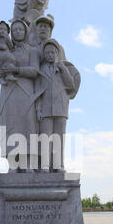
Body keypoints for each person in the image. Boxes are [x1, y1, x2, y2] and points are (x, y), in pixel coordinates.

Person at [0, 19, 40, 172]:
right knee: (11, 126)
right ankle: (13, 164)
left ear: (25, 32)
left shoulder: (33, 50)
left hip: (26, 92)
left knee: (28, 126)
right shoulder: (6, 51)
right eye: (14, 30)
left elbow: (34, 70)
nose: (17, 32)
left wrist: (15, 69)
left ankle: (28, 162)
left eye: (20, 29)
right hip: (9, 91)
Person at [35, 39, 80, 171]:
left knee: (59, 139)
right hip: (46, 109)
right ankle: (45, 165)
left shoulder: (62, 68)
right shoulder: (41, 71)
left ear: (57, 53)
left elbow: (71, 85)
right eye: (47, 53)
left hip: (60, 109)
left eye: (53, 52)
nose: (50, 55)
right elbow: (37, 92)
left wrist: (64, 70)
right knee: (45, 138)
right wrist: (38, 109)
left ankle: (59, 165)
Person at [0, 21, 17, 85]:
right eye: (0, 29)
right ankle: (1, 78)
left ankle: (9, 75)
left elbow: (11, 46)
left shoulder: (6, 38)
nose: (3, 31)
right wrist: (1, 46)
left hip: (7, 55)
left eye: (5, 29)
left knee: (11, 60)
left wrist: (8, 39)